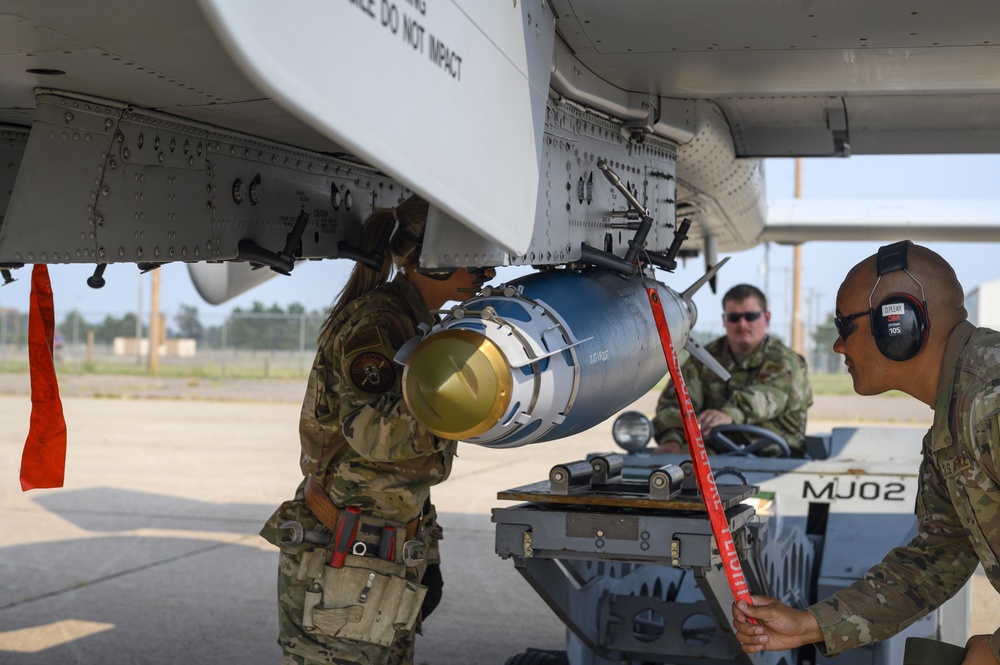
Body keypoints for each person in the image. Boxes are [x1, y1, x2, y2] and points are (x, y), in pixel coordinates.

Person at [731, 241, 1000, 664]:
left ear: (899, 323)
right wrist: (812, 624)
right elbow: (937, 559)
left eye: (845, 326)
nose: (839, 346)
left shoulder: (990, 402)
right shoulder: (953, 421)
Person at [259, 195, 491, 665]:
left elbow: (399, 473)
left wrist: (424, 549)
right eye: (476, 258)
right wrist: (466, 399)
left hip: (383, 549)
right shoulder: (379, 323)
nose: (486, 272)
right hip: (345, 556)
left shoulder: (414, 321)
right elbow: (373, 434)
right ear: (436, 259)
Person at [651, 283, 813, 456]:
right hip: (714, 458)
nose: (742, 324)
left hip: (778, 461)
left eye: (750, 316)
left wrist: (729, 414)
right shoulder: (705, 359)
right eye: (734, 318)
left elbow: (768, 396)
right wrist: (672, 439)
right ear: (724, 320)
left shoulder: (786, 362)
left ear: (766, 318)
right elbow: (676, 402)